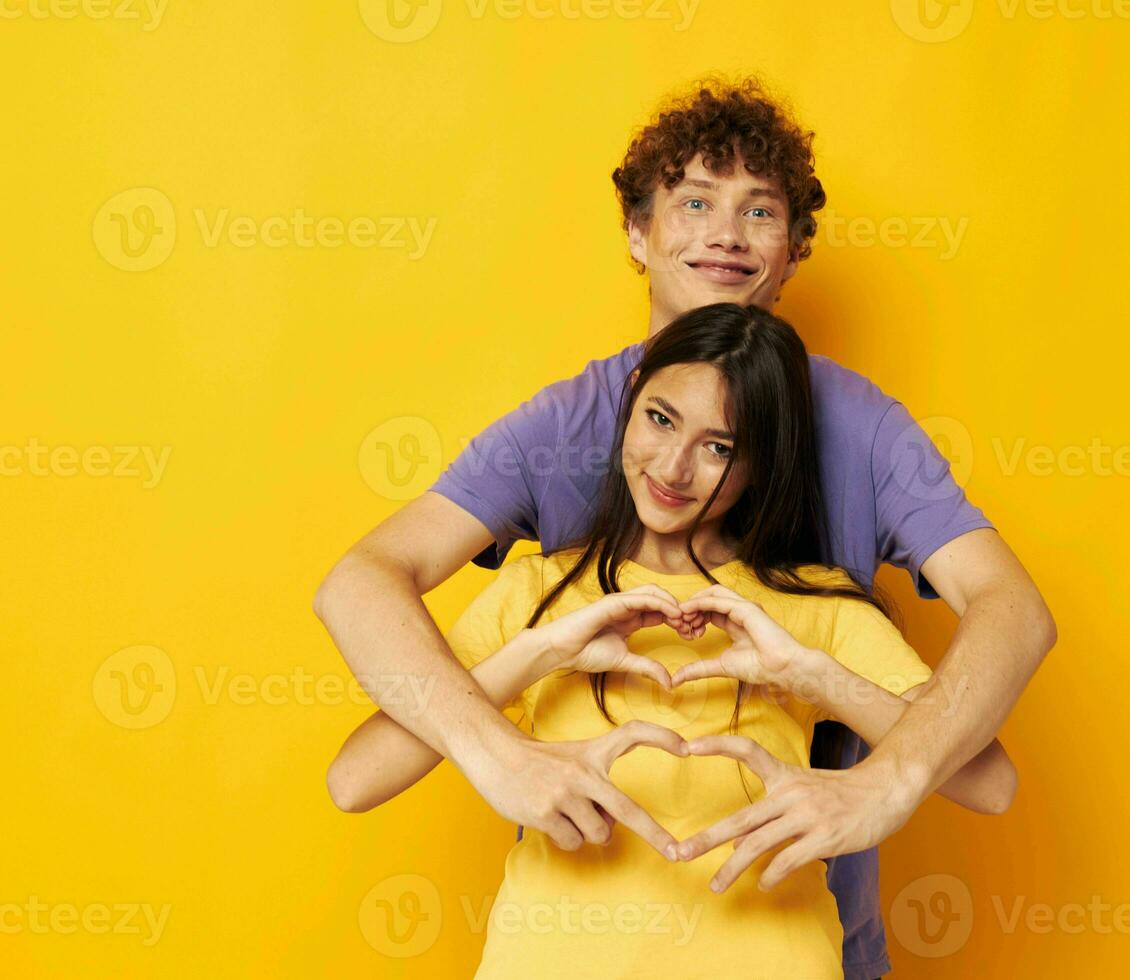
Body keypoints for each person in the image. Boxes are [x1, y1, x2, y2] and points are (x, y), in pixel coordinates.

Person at [314, 76, 1056, 980]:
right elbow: (361, 589)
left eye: (760, 211)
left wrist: (883, 773)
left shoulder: (853, 466)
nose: (725, 235)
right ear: (637, 230)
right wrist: (499, 745)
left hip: (797, 934)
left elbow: (1011, 618)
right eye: (694, 201)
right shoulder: (557, 475)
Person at [327, 304, 1019, 978]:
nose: (674, 466)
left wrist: (813, 676)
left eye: (719, 447)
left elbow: (987, 781)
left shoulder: (818, 605)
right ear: (630, 401)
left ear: (760, 465)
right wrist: (538, 653)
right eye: (660, 419)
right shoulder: (534, 593)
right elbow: (356, 780)